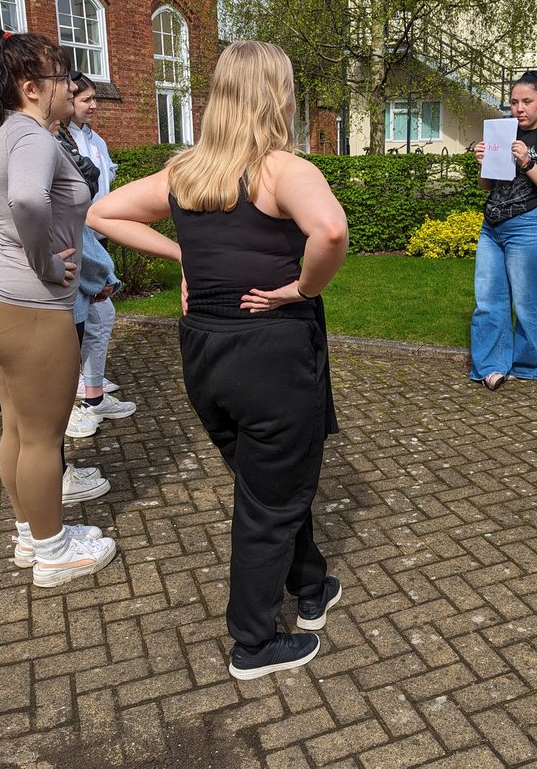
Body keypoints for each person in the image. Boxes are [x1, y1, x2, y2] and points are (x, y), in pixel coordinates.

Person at [88, 40, 349, 680]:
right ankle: (254, 642)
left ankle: (310, 585)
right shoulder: (284, 169)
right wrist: (302, 289)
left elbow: (102, 212)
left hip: (206, 352)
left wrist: (188, 259)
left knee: (269, 483)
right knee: (267, 500)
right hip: (271, 352)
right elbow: (332, 232)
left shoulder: (187, 173)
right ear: (276, 95)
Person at [0, 28, 116, 587]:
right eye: (61, 76)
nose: (69, 85)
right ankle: (53, 551)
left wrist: (3, 249)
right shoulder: (35, 139)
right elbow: (23, 200)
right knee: (44, 436)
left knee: (16, 429)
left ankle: (29, 535)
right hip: (31, 309)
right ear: (32, 87)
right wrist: (39, 262)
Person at [470, 71, 537, 389]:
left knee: (528, 301)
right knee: (488, 298)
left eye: (527, 101)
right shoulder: (503, 132)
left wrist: (528, 162)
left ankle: (528, 366)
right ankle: (490, 366)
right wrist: (483, 161)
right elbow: (487, 184)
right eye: (514, 102)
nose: (519, 108)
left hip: (532, 225)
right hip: (493, 225)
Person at [67, 77, 130, 409]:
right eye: (84, 99)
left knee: (100, 314)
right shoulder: (60, 141)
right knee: (91, 313)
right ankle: (79, 388)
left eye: (95, 99)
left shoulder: (96, 141)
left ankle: (92, 391)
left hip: (96, 234)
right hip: (79, 236)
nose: (92, 105)